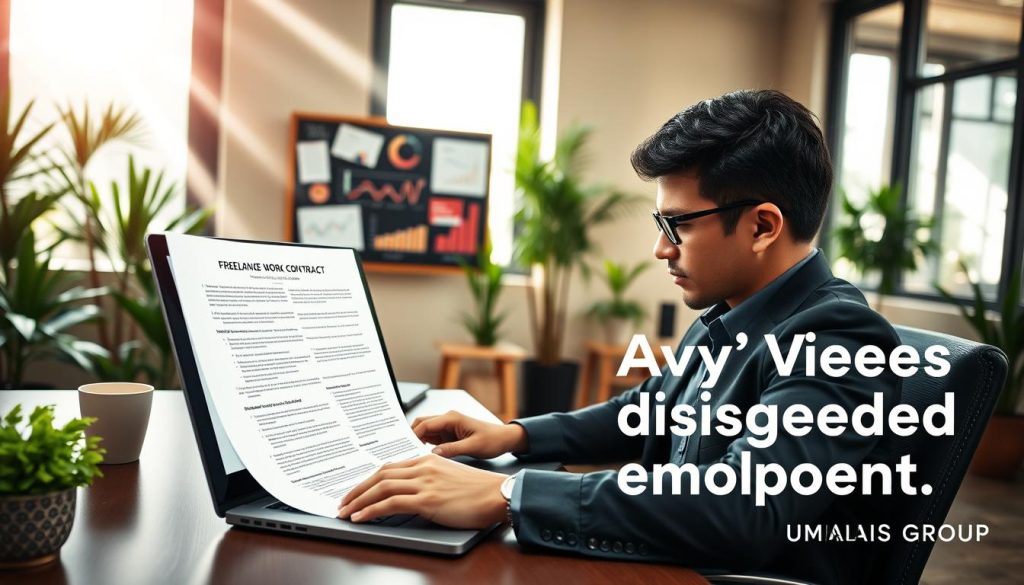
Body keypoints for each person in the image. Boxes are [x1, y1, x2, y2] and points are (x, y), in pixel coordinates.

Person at [338, 89, 902, 585]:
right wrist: (511, 436)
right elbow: (647, 409)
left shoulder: (837, 338)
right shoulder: (733, 317)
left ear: (761, 226)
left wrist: (506, 494)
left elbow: (748, 508)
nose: (662, 249)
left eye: (676, 225)